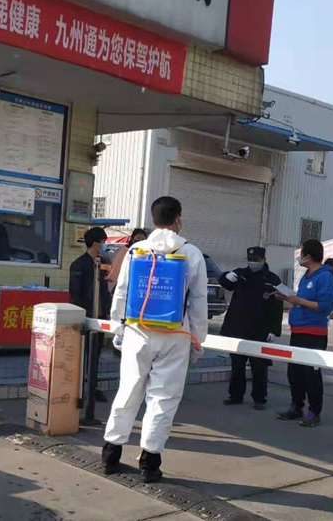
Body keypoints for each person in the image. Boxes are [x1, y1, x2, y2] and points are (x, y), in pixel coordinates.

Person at [102, 196, 208, 483]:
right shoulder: (191, 253)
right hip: (175, 335)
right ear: (178, 219)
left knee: (128, 390)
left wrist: (119, 329)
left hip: (137, 331)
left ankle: (110, 454)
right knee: (163, 398)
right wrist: (197, 340)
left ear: (153, 220)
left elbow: (122, 292)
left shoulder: (136, 250)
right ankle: (150, 463)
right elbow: (198, 302)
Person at [276, 239, 333, 428]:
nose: (300, 257)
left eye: (302, 253)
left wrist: (300, 301)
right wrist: (289, 298)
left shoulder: (325, 277)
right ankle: (296, 406)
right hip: (298, 330)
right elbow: (302, 299)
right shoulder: (306, 276)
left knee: (311, 374)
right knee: (294, 373)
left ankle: (314, 411)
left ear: (308, 256)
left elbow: (325, 306)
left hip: (314, 333)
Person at [218, 246, 283, 410]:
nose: (253, 263)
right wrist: (226, 276)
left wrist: (273, 330)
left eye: (256, 260)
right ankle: (235, 395)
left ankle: (259, 398)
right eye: (251, 260)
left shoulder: (272, 279)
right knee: (237, 366)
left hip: (260, 329)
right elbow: (224, 283)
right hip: (238, 328)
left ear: (263, 260)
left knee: (259, 367)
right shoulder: (241, 274)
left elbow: (277, 307)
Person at [69, 226, 109, 402]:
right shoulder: (79, 265)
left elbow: (106, 290)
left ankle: (93, 386)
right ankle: (80, 387)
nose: (104, 245)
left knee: (96, 353)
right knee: (83, 353)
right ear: (95, 243)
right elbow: (75, 294)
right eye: (103, 242)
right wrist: (79, 316)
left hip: (100, 316)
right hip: (86, 316)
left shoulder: (104, 263)